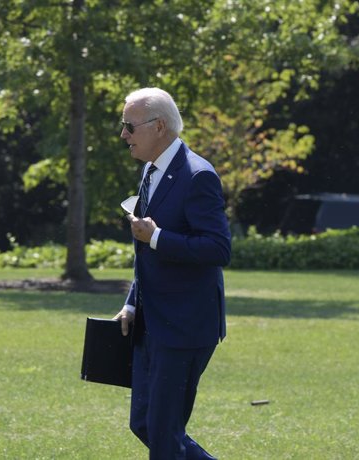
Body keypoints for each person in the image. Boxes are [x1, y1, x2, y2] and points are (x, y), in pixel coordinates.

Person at [113, 87, 231, 459]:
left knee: (164, 437)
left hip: (185, 327)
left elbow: (218, 248)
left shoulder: (198, 176)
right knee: (145, 424)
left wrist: (159, 236)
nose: (123, 135)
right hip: (152, 323)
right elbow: (145, 254)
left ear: (159, 126)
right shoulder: (150, 170)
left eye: (129, 126)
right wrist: (132, 304)